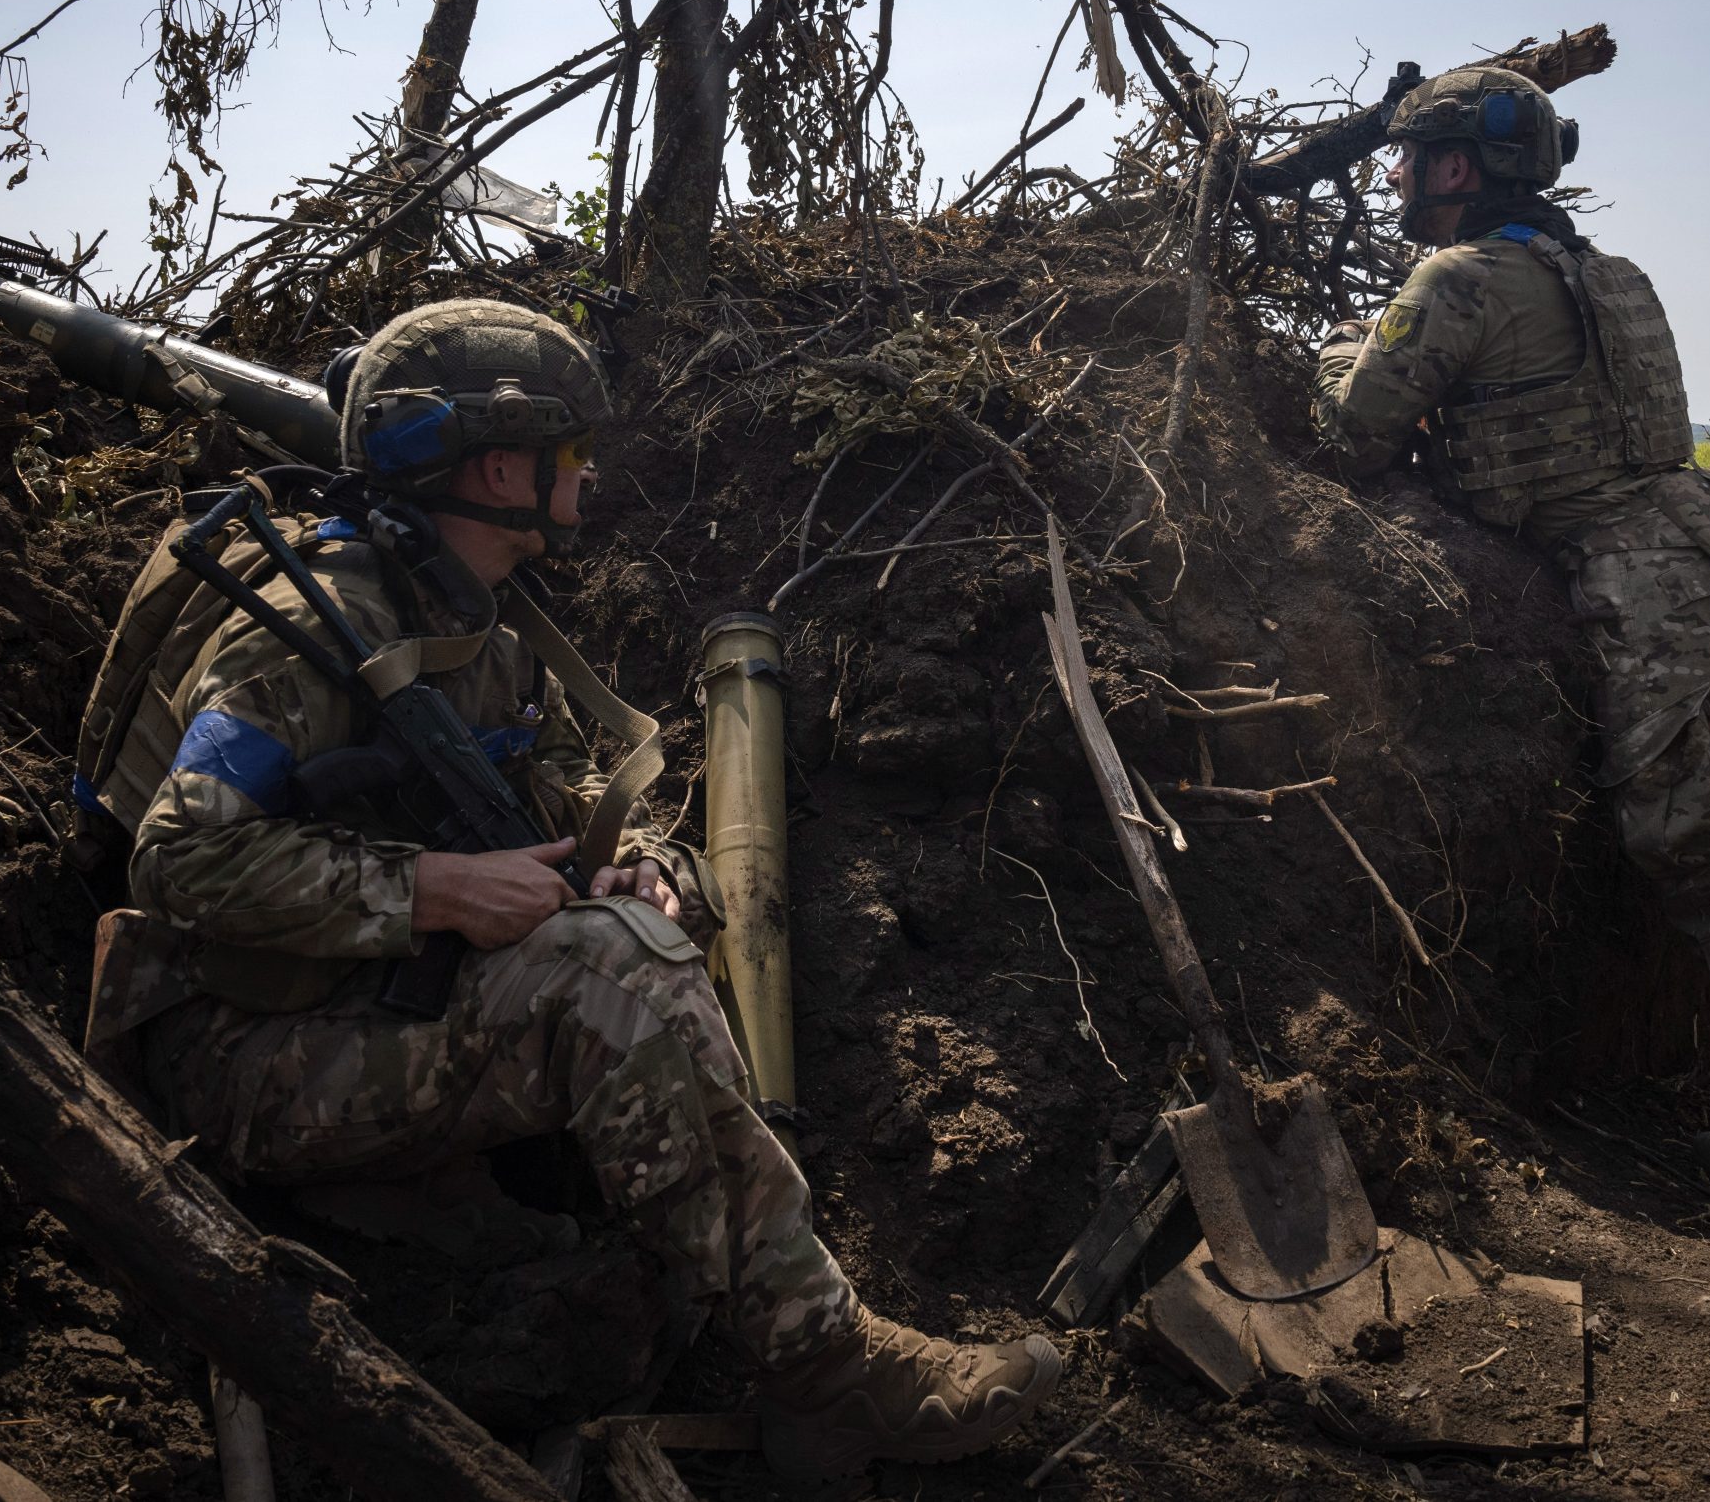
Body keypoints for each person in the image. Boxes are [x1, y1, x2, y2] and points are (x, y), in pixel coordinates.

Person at [80, 299, 1060, 1479]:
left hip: (363, 1007)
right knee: (616, 976)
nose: (587, 476)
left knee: (647, 916)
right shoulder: (311, 626)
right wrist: (432, 889)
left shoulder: (473, 625)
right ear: (501, 462)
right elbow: (179, 858)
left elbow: (547, 811)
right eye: (571, 453)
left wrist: (629, 868)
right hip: (242, 1056)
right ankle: (827, 1372)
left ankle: (669, 1244)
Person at [1308, 69, 1710, 1209]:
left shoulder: (1460, 277)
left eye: (1408, 157)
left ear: (1457, 169)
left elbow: (1348, 429)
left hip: (1655, 593)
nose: (1392, 177)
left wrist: (1335, 349)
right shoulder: (1607, 272)